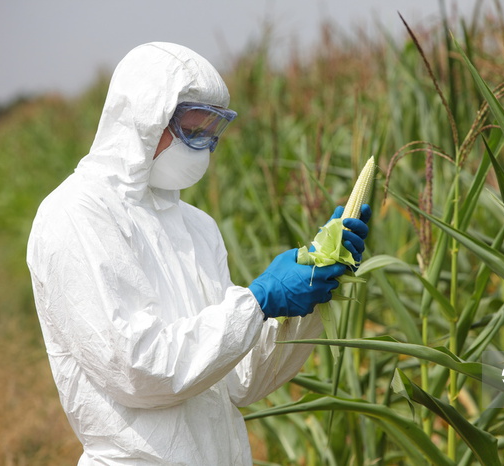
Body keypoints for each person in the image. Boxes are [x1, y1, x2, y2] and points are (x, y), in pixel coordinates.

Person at [26, 42, 371, 465]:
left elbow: (239, 380)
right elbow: (137, 370)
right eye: (194, 129)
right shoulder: (75, 214)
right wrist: (257, 300)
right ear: (144, 119)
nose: (204, 144)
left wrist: (308, 293)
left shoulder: (196, 226)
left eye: (213, 130)